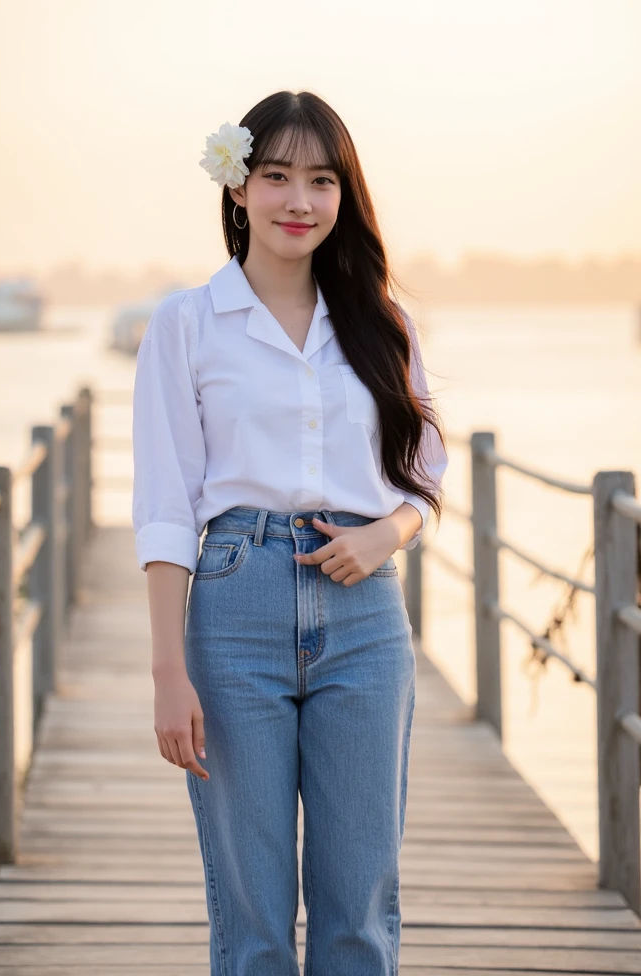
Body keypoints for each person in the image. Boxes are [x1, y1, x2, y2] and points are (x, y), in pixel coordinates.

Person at [131, 89, 449, 976]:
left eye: (320, 179)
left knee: (359, 912)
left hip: (365, 619)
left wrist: (391, 531)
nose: (298, 201)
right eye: (275, 177)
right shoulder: (187, 325)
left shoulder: (383, 325)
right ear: (237, 189)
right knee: (254, 917)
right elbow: (164, 506)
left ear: (344, 195)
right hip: (235, 609)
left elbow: (424, 474)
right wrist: (168, 673)